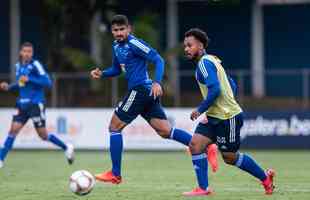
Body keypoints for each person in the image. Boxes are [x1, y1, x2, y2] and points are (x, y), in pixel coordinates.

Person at [90, 15, 218, 184]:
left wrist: (157, 82)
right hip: (144, 93)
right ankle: (207, 147)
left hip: (140, 90)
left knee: (114, 127)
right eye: (115, 30)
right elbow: (116, 69)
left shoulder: (134, 43)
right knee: (165, 131)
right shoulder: (116, 46)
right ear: (112, 31)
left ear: (129, 29)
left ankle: (115, 173)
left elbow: (158, 59)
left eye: (122, 29)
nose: (119, 33)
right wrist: (103, 73)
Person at [182, 28, 275, 196]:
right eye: (185, 46)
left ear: (201, 46)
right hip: (216, 116)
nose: (186, 49)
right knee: (195, 145)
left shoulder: (204, 63)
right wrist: (211, 110)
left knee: (230, 157)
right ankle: (203, 188)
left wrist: (201, 109)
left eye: (190, 45)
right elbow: (231, 84)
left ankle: (265, 178)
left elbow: (216, 89)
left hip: (227, 118)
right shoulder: (213, 60)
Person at [0, 42, 74, 168]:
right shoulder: (18, 66)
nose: (27, 54)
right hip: (22, 104)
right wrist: (9, 87)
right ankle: (1, 159)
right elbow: (21, 83)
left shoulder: (36, 65)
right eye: (25, 51)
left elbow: (47, 82)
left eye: (30, 52)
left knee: (43, 135)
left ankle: (66, 147)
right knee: (13, 131)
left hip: (35, 104)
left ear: (32, 53)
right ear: (21, 53)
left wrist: (31, 79)